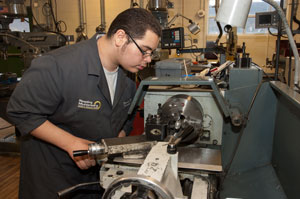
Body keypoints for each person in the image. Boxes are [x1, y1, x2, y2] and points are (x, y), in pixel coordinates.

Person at [6, 8, 161, 199]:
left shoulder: (128, 77)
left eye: (151, 53)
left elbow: (127, 116)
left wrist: (118, 141)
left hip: (98, 181)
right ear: (120, 37)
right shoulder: (58, 66)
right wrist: (71, 143)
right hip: (54, 181)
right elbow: (21, 111)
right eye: (145, 51)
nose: (148, 60)